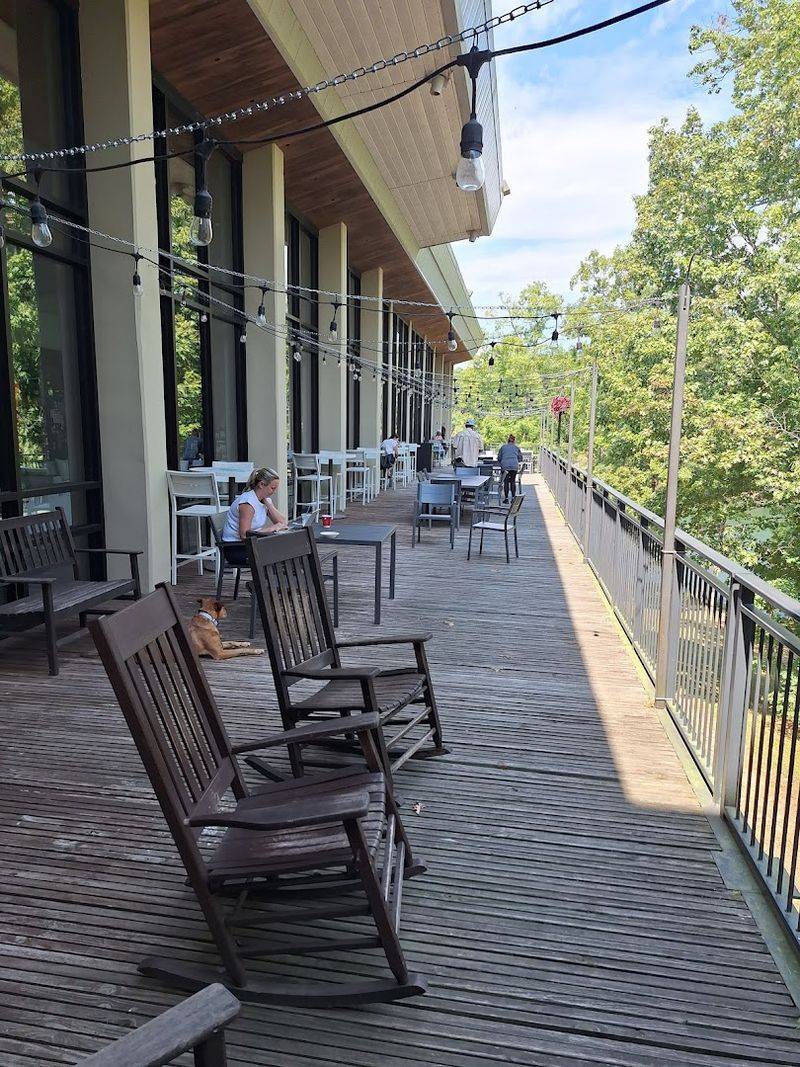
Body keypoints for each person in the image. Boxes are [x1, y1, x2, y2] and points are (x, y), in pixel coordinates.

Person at [221, 467, 288, 564]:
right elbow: (244, 535)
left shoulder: (264, 500)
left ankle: (274, 578)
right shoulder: (247, 503)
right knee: (282, 553)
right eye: (272, 488)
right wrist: (271, 528)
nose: (275, 492)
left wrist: (268, 504)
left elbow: (282, 523)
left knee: (290, 549)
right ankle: (267, 579)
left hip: (253, 545)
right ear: (261, 484)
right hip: (237, 548)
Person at [497, 433, 524, 503]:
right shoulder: (516, 448)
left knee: (506, 482)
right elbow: (520, 458)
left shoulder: (503, 447)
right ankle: (512, 498)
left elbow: (499, 458)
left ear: (508, 440)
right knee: (512, 481)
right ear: (514, 441)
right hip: (514, 466)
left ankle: (506, 499)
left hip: (505, 466)